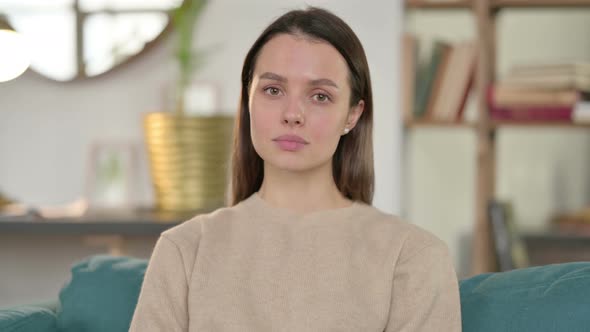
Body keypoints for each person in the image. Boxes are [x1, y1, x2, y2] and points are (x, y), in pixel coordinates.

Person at [130, 6, 461, 332]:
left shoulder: (413, 256)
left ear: (353, 115)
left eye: (319, 96)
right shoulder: (185, 249)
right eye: (273, 90)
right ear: (247, 100)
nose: (292, 114)